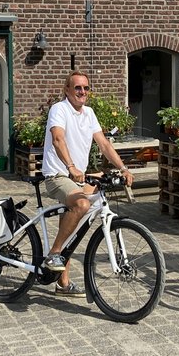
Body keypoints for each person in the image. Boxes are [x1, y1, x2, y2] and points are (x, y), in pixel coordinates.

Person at [41, 70, 135, 296]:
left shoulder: (89, 113)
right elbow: (57, 138)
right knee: (82, 205)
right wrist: (71, 166)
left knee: (76, 222)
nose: (82, 92)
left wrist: (123, 168)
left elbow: (103, 144)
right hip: (58, 175)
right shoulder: (59, 109)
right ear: (67, 90)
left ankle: (62, 284)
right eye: (77, 88)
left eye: (86, 88)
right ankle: (54, 253)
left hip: (77, 177)